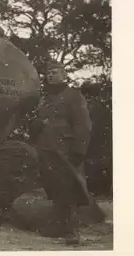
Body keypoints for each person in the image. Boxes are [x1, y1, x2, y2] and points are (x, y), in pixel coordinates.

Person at [28, 59, 101, 245]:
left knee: (70, 188)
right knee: (55, 189)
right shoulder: (45, 100)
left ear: (64, 74)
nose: (51, 75)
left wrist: (79, 149)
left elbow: (83, 124)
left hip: (67, 150)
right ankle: (59, 226)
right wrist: (37, 126)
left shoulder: (73, 96)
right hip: (47, 150)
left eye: (55, 71)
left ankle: (72, 231)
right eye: (49, 73)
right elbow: (35, 123)